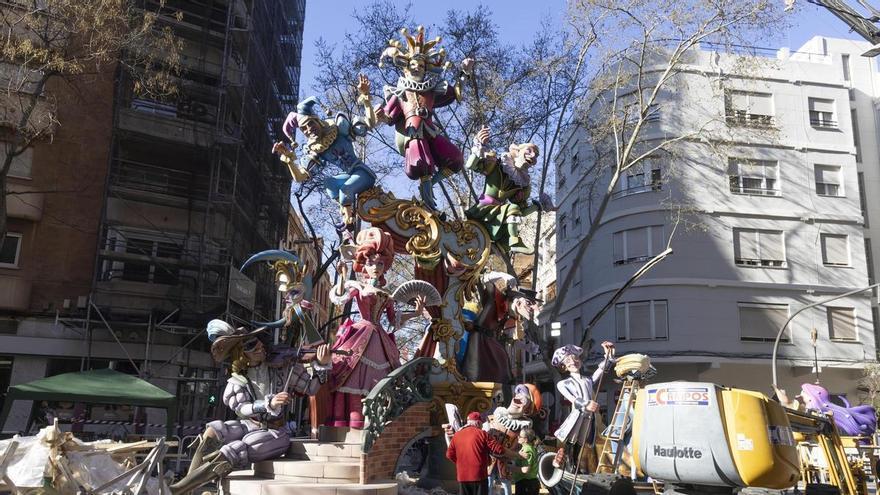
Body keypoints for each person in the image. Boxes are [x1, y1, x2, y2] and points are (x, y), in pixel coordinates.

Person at [170, 320, 331, 494]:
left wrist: (321, 364)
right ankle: (186, 487)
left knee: (237, 448)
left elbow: (311, 388)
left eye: (258, 341)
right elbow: (241, 409)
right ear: (241, 353)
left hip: (276, 430)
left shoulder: (281, 368)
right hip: (250, 424)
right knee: (213, 431)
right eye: (251, 345)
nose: (260, 346)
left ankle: (179, 489)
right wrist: (268, 403)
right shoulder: (238, 379)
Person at [328, 227, 431, 428]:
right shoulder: (358, 287)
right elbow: (340, 298)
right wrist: (341, 277)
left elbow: (394, 320)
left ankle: (376, 421)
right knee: (352, 375)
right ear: (363, 264)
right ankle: (352, 421)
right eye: (371, 262)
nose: (376, 266)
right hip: (359, 335)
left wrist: (417, 313)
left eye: (380, 263)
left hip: (379, 338)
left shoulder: (387, 294)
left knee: (380, 380)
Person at [364, 26, 474, 209]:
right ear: (406, 67)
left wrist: (465, 73)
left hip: (430, 131)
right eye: (413, 64)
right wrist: (380, 115)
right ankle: (428, 202)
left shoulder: (432, 89)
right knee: (422, 164)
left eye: (421, 65)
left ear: (426, 69)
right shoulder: (399, 93)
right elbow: (389, 118)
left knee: (455, 158)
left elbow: (455, 93)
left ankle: (430, 186)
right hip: (413, 132)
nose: (416, 67)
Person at [272, 95, 377, 229]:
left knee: (345, 190)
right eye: (304, 128)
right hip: (350, 175)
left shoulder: (339, 127)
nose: (309, 129)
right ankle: (347, 217)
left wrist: (366, 99)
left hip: (363, 172)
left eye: (310, 123)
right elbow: (300, 177)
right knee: (329, 183)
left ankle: (349, 222)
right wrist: (289, 159)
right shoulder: (317, 149)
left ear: (318, 120)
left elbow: (370, 123)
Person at [465, 126, 556, 254]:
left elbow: (522, 212)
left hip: (498, 215)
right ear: (517, 151)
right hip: (483, 209)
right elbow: (470, 165)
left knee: (511, 215)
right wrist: (478, 147)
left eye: (536, 155)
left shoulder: (522, 185)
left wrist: (540, 205)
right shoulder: (496, 164)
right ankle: (514, 241)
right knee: (512, 208)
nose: (533, 156)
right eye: (529, 151)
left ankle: (503, 246)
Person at [551, 341, 615, 471]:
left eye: (575, 358)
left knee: (583, 442)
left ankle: (575, 465)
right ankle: (567, 464)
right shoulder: (564, 383)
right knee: (571, 439)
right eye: (568, 361)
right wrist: (586, 404)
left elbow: (600, 371)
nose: (573, 362)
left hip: (589, 417)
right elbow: (573, 399)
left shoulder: (587, 380)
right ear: (564, 367)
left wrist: (608, 356)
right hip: (577, 416)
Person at [446, 412, 515, 495]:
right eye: (481, 424)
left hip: (462, 476)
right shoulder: (482, 434)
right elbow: (499, 449)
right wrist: (516, 455)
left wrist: (460, 463)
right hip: (479, 476)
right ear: (478, 423)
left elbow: (449, 454)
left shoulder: (457, 435)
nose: (482, 426)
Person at [511, 428, 540, 495]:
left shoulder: (527, 450)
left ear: (526, 439)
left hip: (526, 483)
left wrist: (511, 468)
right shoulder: (530, 447)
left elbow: (526, 470)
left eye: (520, 436)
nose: (518, 437)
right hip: (529, 482)